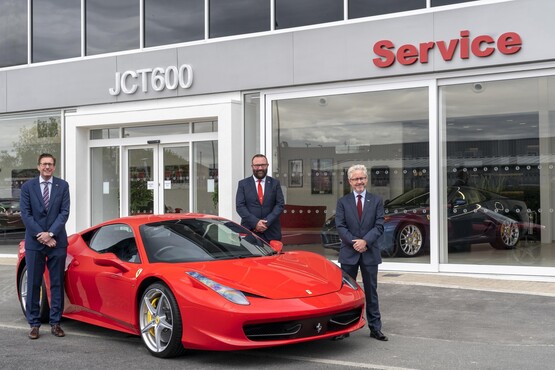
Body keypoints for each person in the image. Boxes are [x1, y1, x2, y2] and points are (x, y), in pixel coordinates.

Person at [20, 153, 70, 339]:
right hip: (34, 242)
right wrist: (42, 236)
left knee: (57, 283)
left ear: (54, 167)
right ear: (38, 166)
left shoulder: (63, 186)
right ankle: (34, 324)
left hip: (57, 241)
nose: (47, 167)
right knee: (33, 283)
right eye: (44, 164)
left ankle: (56, 323)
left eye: (50, 164)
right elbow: (26, 214)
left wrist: (50, 234)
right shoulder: (28, 187)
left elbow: (64, 213)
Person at [336, 164, 388, 341]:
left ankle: (375, 328)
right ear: (350, 181)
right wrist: (355, 243)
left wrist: (365, 241)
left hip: (369, 252)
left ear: (366, 179)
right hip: (349, 253)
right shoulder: (343, 202)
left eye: (362, 178)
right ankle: (344, 328)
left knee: (371, 292)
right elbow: (341, 227)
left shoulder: (376, 201)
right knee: (347, 293)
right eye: (356, 179)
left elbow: (379, 225)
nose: (360, 182)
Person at [236, 154, 284, 242]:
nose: (260, 168)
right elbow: (240, 206)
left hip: (271, 232)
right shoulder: (243, 184)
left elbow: (280, 205)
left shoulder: (275, 183)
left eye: (263, 165)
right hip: (250, 232)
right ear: (252, 166)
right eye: (257, 165)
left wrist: (266, 222)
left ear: (267, 165)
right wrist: (255, 223)